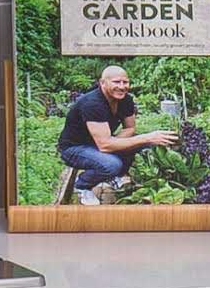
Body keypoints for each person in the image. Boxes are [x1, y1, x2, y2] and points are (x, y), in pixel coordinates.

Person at [54, 63, 182, 200]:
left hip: (100, 143)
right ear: (102, 83)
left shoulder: (126, 100)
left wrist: (121, 143)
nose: (122, 86)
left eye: (125, 82)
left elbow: (129, 128)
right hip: (74, 148)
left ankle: (114, 176)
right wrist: (145, 138)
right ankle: (82, 185)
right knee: (111, 164)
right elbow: (105, 145)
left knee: (145, 145)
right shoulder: (93, 103)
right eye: (116, 82)